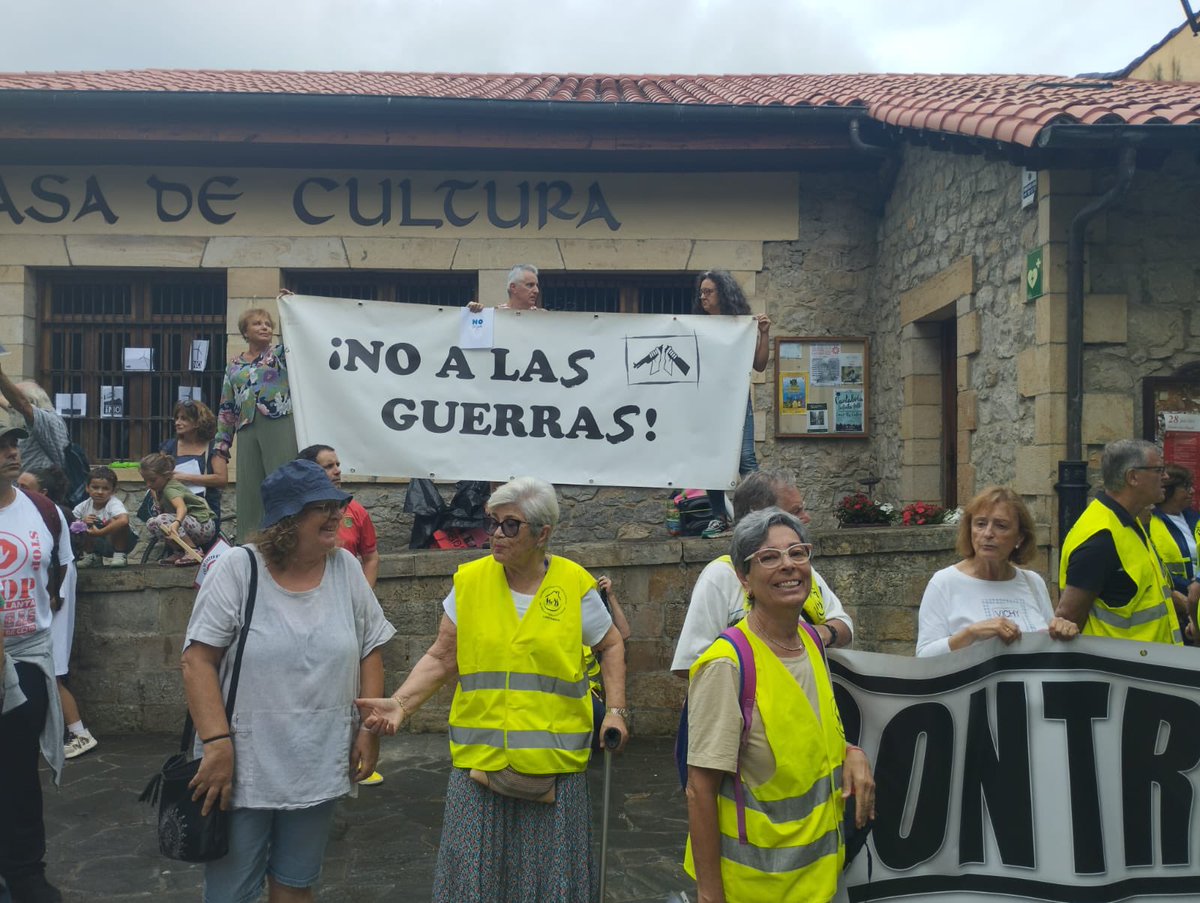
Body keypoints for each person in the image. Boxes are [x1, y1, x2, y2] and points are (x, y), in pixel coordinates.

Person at [356, 477, 628, 902]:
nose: (496, 535)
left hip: (553, 767)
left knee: (546, 885)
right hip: (478, 765)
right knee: (474, 885)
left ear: (543, 533)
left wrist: (616, 710)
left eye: (510, 525)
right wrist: (399, 704)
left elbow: (610, 644)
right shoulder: (470, 581)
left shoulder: (574, 584)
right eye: (492, 523)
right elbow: (443, 656)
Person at [181, 459, 395, 903]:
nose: (337, 515)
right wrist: (217, 743)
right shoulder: (238, 569)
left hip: (318, 760)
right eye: (321, 507)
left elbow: (370, 647)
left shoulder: (346, 571)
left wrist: (367, 731)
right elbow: (197, 660)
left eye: (338, 505)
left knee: (296, 885)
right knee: (231, 892)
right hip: (241, 765)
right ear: (285, 520)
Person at [684, 508, 874, 903]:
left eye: (797, 553)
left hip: (821, 878)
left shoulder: (809, 640)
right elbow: (699, 790)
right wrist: (709, 895)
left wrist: (850, 751)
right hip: (758, 888)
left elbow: (815, 731)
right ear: (743, 578)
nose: (788, 565)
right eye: (769, 557)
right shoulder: (726, 664)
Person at [672, 468, 854, 677]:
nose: (806, 518)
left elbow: (844, 624)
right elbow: (690, 663)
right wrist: (761, 675)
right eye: (795, 512)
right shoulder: (721, 575)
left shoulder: (802, 569)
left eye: (795, 554)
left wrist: (817, 636)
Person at [0, 416, 72, 903]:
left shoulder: (42, 509)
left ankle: (25, 871)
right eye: (0, 446)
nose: (11, 452)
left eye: (12, 443)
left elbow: (58, 570)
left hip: (26, 658)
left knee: (18, 771)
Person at [917, 486, 1079, 656]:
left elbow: (1049, 648)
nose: (988, 533)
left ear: (1019, 537)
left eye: (1001, 526)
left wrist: (1062, 630)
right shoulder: (945, 582)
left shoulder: (1033, 582)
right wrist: (971, 634)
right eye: (980, 524)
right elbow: (924, 656)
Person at [1058, 439, 1184, 645]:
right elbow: (1067, 620)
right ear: (1133, 477)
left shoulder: (1128, 520)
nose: (1166, 477)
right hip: (1121, 673)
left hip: (1150, 669)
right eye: (1159, 470)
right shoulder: (1100, 538)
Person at [18, 468, 93, 760]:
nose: (18, 489)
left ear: (43, 493)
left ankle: (79, 732)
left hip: (55, 596)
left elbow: (59, 560)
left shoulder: (49, 514)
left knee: (54, 668)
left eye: (26, 485)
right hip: (49, 595)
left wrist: (53, 594)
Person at [693, 270, 771, 538]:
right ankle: (719, 516)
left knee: (746, 458)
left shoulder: (741, 326)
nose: (702, 296)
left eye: (708, 291)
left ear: (723, 293)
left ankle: (759, 514)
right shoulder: (696, 326)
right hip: (705, 402)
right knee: (709, 458)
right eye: (701, 292)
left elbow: (759, 364)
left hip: (736, 400)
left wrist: (763, 334)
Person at [215, 307, 298, 544]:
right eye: (257, 324)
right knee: (249, 488)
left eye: (268, 324)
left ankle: (286, 539)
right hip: (246, 427)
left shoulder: (281, 354)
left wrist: (290, 307)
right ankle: (249, 544)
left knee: (281, 480)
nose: (265, 327)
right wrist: (221, 446)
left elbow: (298, 335)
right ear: (245, 331)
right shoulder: (234, 365)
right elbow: (227, 406)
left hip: (279, 422)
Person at [296, 445, 379, 588]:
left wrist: (363, 598)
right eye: (329, 466)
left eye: (338, 465)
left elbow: (371, 558)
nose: (337, 471)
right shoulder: (294, 512)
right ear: (309, 472)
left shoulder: (356, 510)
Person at [160, 399, 227, 535]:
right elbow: (158, 473)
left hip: (205, 511)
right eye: (177, 418)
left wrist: (185, 477)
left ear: (198, 422)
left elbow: (222, 479)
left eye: (184, 419)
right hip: (174, 508)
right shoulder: (169, 447)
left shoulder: (213, 446)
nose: (178, 422)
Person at [1148, 464, 1200, 633]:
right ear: (1168, 491)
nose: (1192, 491)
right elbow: (1156, 567)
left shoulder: (1195, 518)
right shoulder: (1150, 523)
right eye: (1185, 487)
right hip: (1177, 606)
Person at [139, 453, 217, 564]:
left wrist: (176, 523)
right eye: (145, 480)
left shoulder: (170, 489)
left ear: (166, 475)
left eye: (152, 480)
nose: (148, 484)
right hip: (192, 525)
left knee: (162, 519)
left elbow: (182, 508)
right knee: (152, 523)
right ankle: (180, 551)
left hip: (203, 525)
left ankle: (193, 551)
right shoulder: (160, 488)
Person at [0, 365, 68, 476]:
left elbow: (22, 404)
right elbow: (8, 402)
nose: (10, 407)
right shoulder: (24, 416)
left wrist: (1, 375)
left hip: (41, 488)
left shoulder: (48, 420)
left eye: (13, 403)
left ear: (32, 401)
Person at [71, 466, 134, 568]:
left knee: (115, 521)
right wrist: (82, 522)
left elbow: (124, 521)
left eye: (105, 488)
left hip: (119, 542)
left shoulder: (114, 504)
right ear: (87, 488)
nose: (100, 492)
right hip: (97, 543)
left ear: (113, 491)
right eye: (95, 487)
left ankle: (119, 555)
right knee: (83, 523)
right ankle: (91, 556)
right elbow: (69, 523)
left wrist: (100, 532)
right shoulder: (83, 506)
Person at [468, 263, 543, 312]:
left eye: (537, 285)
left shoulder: (543, 317)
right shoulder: (495, 314)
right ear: (513, 287)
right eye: (530, 285)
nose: (536, 291)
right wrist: (470, 312)